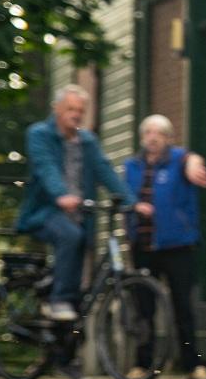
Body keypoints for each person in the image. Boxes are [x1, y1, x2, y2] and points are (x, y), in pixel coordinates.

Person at [15, 84, 140, 323]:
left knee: (80, 253)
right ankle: (58, 299)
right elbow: (46, 167)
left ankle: (65, 337)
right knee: (70, 237)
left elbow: (105, 171)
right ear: (57, 109)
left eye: (80, 110)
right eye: (70, 109)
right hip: (46, 211)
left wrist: (132, 202)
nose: (76, 115)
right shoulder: (40, 134)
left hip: (81, 214)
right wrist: (61, 194)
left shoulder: (87, 141)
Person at [122, 114, 206, 379]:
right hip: (143, 245)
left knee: (182, 307)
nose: (153, 137)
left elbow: (191, 158)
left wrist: (194, 163)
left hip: (177, 246)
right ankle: (142, 364)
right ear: (142, 138)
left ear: (169, 138)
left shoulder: (179, 160)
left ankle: (193, 365)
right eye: (148, 132)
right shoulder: (131, 166)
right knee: (144, 308)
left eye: (159, 133)